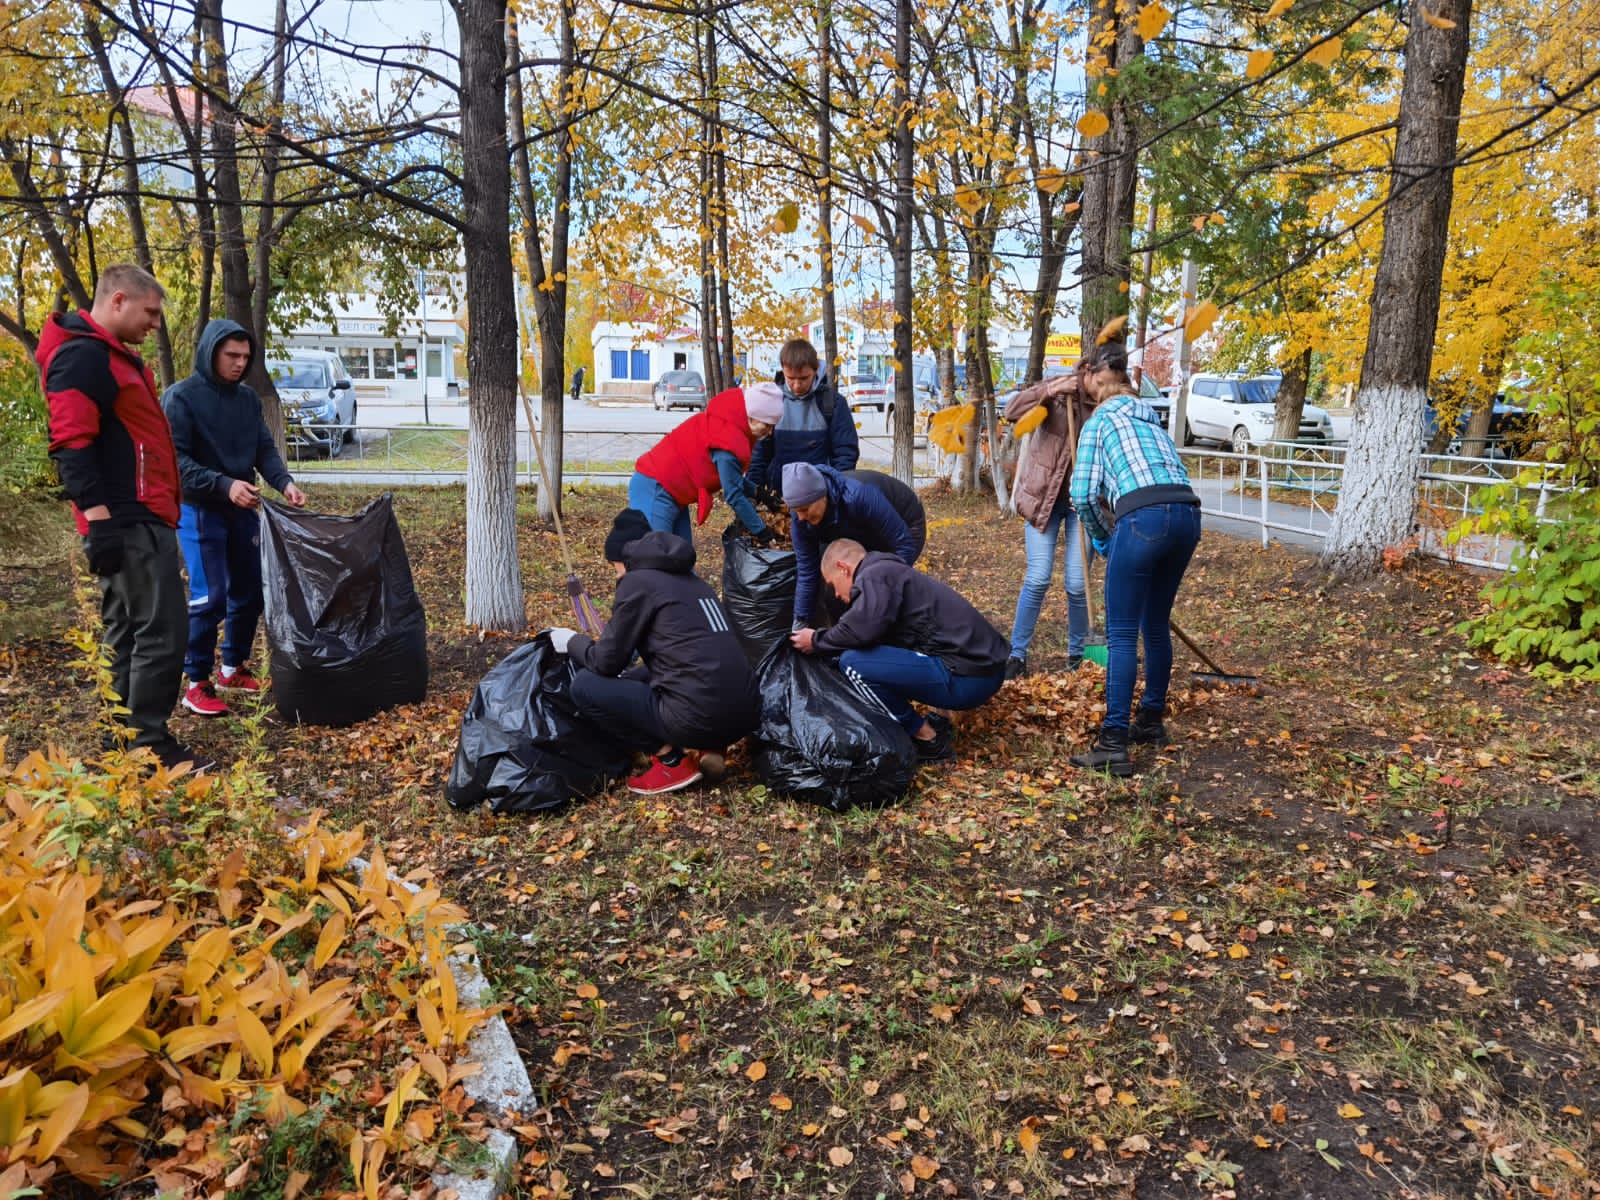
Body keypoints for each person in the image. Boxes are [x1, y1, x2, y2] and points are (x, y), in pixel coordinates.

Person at [37, 264, 204, 770]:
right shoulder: (84, 359)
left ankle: (121, 738)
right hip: (127, 520)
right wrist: (100, 519)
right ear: (117, 302)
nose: (154, 324)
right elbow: (70, 443)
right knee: (163, 630)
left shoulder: (112, 358)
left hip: (137, 516)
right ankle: (149, 744)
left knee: (127, 630)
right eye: (150, 312)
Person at [551, 509, 760, 795]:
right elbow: (682, 656)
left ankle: (671, 761)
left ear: (624, 559)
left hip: (698, 717)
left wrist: (571, 641)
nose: (616, 577)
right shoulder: (694, 583)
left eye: (614, 568)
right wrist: (631, 678)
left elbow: (605, 662)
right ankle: (712, 748)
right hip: (745, 713)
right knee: (670, 674)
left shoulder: (637, 582)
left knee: (586, 686)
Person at [1068, 342, 1202, 775]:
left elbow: (1083, 495)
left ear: (1095, 377)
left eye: (1085, 383)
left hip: (1143, 518)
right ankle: (1151, 720)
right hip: (1187, 514)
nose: (1085, 392)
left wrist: (1104, 540)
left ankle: (1113, 743)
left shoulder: (1099, 422)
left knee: (1123, 633)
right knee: (1155, 623)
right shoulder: (1151, 420)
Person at [163, 319, 307, 718]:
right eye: (232, 355)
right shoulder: (181, 398)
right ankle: (196, 682)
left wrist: (285, 482)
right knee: (211, 596)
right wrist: (224, 484)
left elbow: (264, 448)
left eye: (246, 356)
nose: (240, 363)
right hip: (200, 510)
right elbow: (175, 462)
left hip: (242, 509)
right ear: (211, 352)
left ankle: (232, 668)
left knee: (250, 590)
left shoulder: (246, 400)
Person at [790, 538, 1009, 762]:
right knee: (886, 649)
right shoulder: (888, 571)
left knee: (853, 664)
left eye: (832, 584)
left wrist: (816, 640)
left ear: (843, 569)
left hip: (970, 679)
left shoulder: (874, 577)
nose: (835, 594)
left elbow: (859, 630)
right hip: (984, 670)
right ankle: (940, 718)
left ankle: (928, 740)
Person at [1003, 369, 1099, 678]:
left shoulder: (1106, 404)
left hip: (1080, 504)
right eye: (1100, 380)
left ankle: (1078, 655)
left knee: (1076, 582)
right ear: (1090, 373)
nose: (1104, 387)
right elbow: (1011, 411)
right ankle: (1016, 655)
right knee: (1038, 577)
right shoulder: (1058, 395)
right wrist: (1050, 389)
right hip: (1041, 500)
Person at [631, 381, 783, 545]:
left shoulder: (730, 426)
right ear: (751, 416)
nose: (769, 432)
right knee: (656, 555)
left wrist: (759, 493)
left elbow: (731, 476)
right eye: (767, 425)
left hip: (674, 493)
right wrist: (761, 531)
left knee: (681, 558)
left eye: (773, 426)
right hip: (654, 487)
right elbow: (734, 495)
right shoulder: (727, 439)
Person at [782, 462, 926, 628]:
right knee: (835, 586)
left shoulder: (858, 496)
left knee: (879, 584)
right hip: (858, 528)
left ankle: (895, 635)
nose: (800, 517)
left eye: (805, 509)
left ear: (821, 496)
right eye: (795, 511)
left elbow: (903, 545)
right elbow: (807, 571)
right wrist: (800, 622)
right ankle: (844, 637)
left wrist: (884, 584)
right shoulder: (801, 520)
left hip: (904, 523)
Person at [744, 338, 859, 496]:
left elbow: (845, 455)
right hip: (778, 495)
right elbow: (758, 456)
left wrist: (834, 494)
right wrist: (752, 495)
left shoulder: (833, 403)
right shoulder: (770, 402)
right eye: (790, 378)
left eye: (804, 378)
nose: (797, 385)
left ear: (816, 369)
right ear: (783, 370)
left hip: (820, 498)